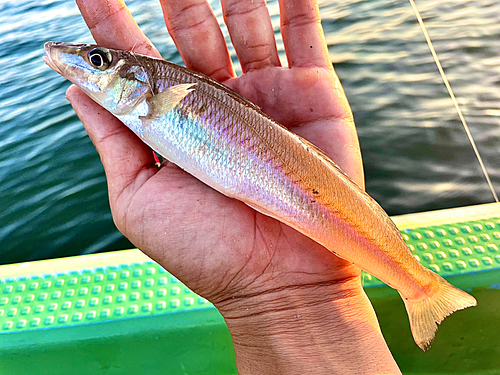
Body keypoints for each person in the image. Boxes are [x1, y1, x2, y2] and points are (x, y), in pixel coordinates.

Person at [67, 0, 402, 373]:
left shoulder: (155, 97)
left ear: (141, 84)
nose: (85, 65)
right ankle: (417, 286)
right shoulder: (145, 101)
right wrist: (273, 299)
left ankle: (418, 286)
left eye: (97, 61)